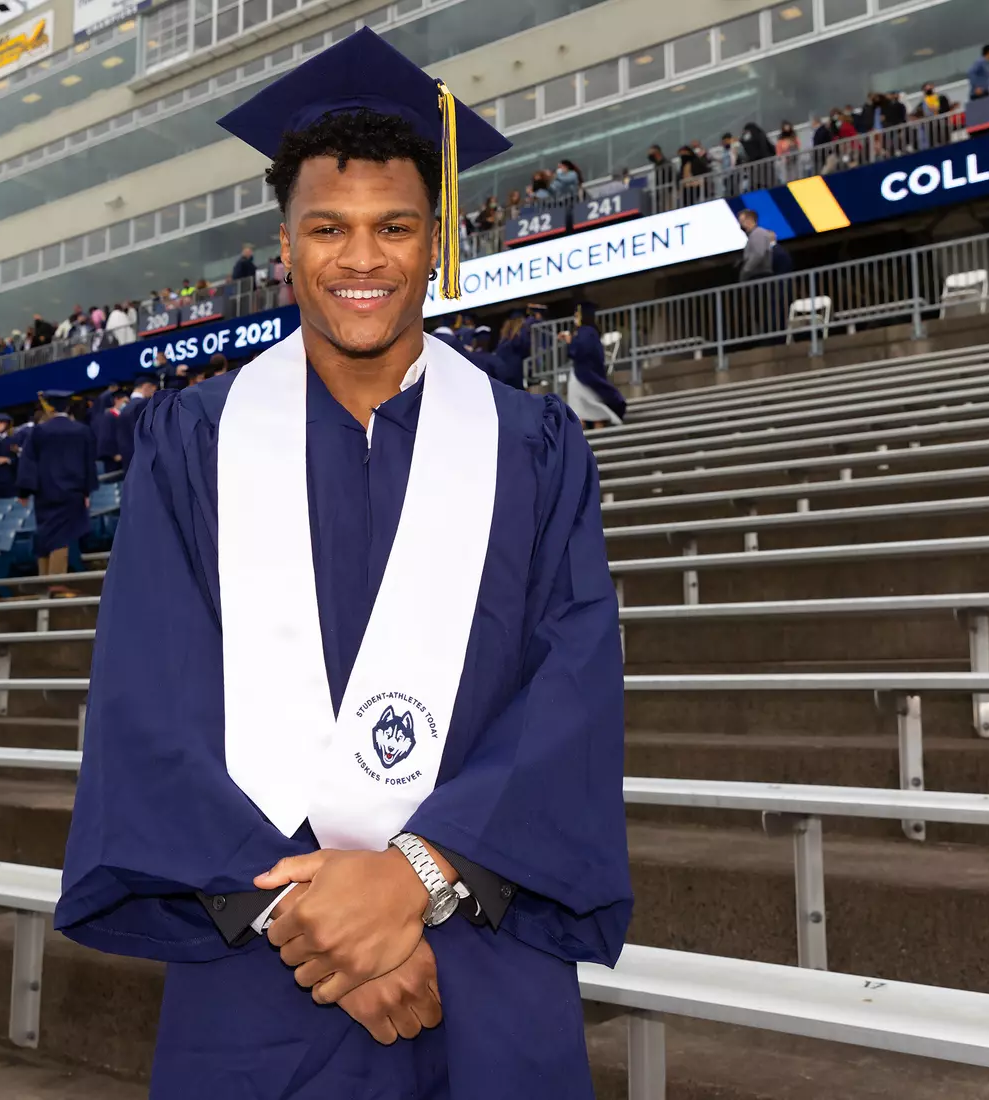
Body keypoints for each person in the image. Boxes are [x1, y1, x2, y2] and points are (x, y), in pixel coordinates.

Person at [55, 29, 630, 1097]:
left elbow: (573, 684)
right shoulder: (196, 442)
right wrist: (313, 922)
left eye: (393, 227)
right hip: (264, 948)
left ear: (437, 240)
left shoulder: (535, 449)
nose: (361, 260)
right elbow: (150, 691)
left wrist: (414, 876)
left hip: (482, 944)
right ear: (284, 244)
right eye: (329, 228)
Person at [16, 390, 97, 594]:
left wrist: (24, 491)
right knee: (62, 536)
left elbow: (28, 463)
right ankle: (56, 584)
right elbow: (89, 463)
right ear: (68, 407)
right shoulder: (81, 430)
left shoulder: (39, 431)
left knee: (46, 535)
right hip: (72, 492)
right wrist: (87, 491)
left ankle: (46, 582)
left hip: (45, 492)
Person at [560, 301, 627, 428]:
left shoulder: (586, 332)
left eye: (577, 315)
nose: (575, 317)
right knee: (583, 408)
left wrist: (570, 342)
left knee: (586, 407)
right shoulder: (590, 332)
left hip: (584, 374)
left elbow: (580, 350)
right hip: (585, 373)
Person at [115, 373, 159, 471]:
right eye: (154, 389)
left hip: (130, 462)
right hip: (145, 463)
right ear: (147, 386)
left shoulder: (125, 408)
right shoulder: (144, 404)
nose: (154, 393)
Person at [90, 389, 131, 473]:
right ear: (117, 400)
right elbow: (106, 436)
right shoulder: (109, 416)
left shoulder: (123, 416)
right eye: (125, 402)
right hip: (114, 458)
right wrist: (113, 454)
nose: (126, 405)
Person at [736, 209, 777, 281]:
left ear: (750, 220)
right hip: (756, 276)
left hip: (760, 277)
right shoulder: (753, 235)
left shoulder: (758, 233)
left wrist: (745, 271)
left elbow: (758, 254)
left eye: (742, 221)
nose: (740, 224)